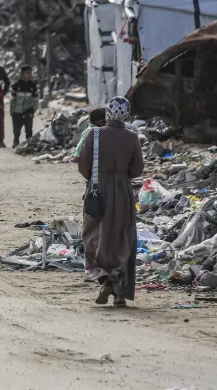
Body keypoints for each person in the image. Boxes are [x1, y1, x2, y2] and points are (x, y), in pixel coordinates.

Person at [77, 96, 144, 307]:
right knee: (121, 237)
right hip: (123, 191)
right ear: (126, 115)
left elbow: (83, 166)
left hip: (98, 190)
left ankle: (103, 279)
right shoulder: (132, 137)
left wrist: (97, 178)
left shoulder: (94, 134)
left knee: (94, 235)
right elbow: (137, 169)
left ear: (107, 114)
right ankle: (119, 291)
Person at [10, 66, 38, 147]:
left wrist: (33, 110)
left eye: (30, 72)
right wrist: (12, 111)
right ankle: (16, 142)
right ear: (22, 74)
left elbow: (35, 100)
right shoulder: (16, 86)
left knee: (29, 130)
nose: (29, 74)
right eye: (27, 73)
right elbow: (12, 100)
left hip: (28, 111)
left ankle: (29, 144)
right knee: (16, 129)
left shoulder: (32, 86)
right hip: (17, 112)